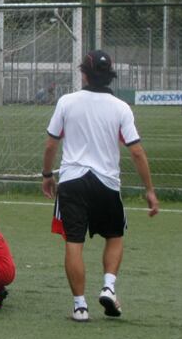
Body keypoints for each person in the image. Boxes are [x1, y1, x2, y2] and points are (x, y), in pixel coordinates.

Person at [41, 50, 159, 322]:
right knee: (115, 236)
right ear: (110, 76)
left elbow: (51, 143)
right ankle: (108, 286)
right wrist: (149, 190)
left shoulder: (67, 101)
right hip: (106, 183)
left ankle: (80, 307)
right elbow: (137, 152)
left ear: (83, 73)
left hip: (72, 181)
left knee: (74, 242)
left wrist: (47, 174)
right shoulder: (120, 108)